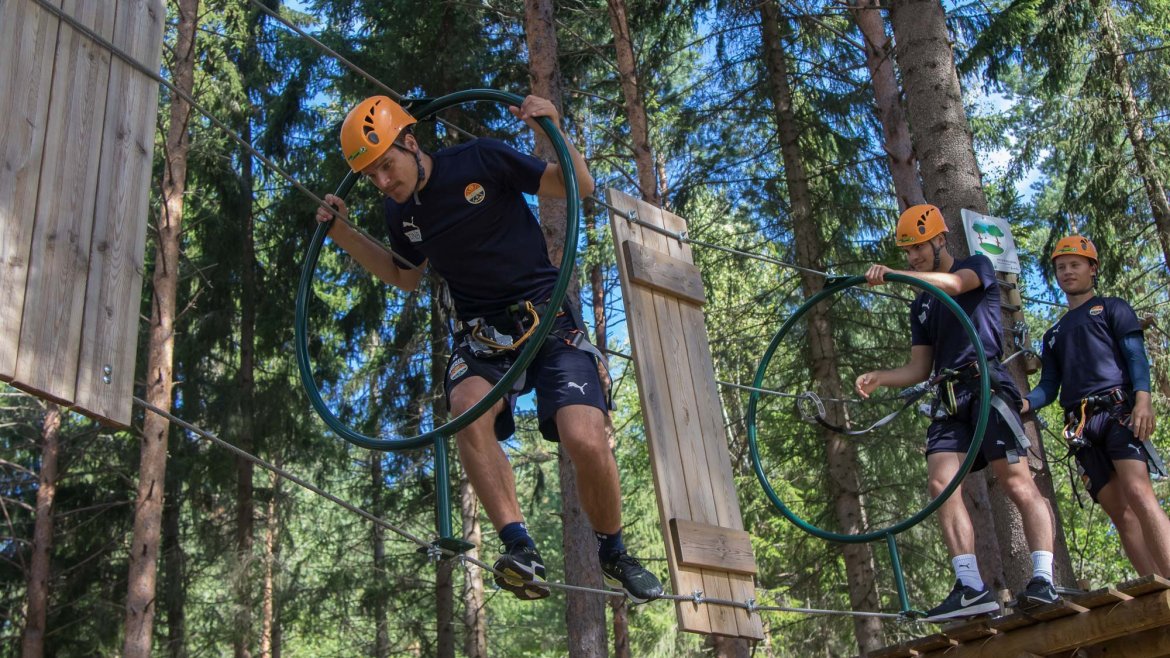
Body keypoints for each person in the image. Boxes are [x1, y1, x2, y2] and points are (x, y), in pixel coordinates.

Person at [314, 94, 663, 603]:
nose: (383, 182)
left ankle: (614, 552)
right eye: (372, 176)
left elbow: (579, 185)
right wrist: (344, 235)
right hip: (482, 335)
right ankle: (519, 547)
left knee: (584, 436)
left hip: (546, 317)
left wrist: (551, 127)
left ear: (410, 142)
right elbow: (404, 275)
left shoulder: (480, 158)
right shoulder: (399, 212)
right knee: (465, 407)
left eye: (387, 165)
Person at [855, 204, 1061, 621]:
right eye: (907, 252)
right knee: (940, 483)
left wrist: (897, 276)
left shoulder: (976, 267)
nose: (913, 257)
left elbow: (952, 284)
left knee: (1016, 481)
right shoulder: (921, 306)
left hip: (986, 386)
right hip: (949, 396)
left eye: (919, 248)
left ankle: (1043, 577)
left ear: (940, 240)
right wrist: (881, 377)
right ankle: (969, 586)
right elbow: (919, 368)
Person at [1021, 235, 1170, 577]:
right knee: (1121, 514)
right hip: (1082, 428)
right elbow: (1049, 386)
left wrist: (1143, 400)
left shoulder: (1113, 308)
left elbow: (1135, 356)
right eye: (1061, 267)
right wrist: (1025, 402)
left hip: (1118, 413)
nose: (1067, 272)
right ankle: (1155, 588)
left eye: (1075, 265)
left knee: (1140, 493)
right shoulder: (1053, 334)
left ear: (1092, 268)